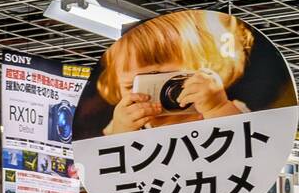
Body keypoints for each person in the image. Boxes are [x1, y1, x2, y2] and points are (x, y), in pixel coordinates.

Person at [96, 11, 253, 134]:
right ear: (116, 85)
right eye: (131, 86)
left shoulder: (226, 110)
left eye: (166, 80)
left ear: (202, 71)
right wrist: (122, 131)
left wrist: (217, 107)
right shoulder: (124, 121)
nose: (150, 93)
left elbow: (247, 145)